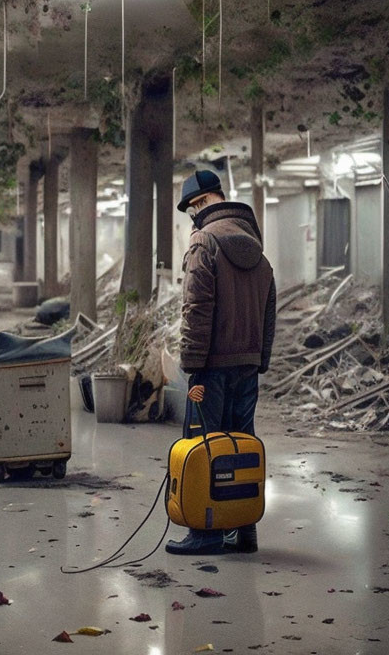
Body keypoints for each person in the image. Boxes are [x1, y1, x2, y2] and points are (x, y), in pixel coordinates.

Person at [165, 169, 277, 555]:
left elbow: (196, 308)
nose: (191, 217)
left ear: (202, 203)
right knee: (240, 444)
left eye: (192, 208)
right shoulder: (255, 247)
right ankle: (243, 531)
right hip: (247, 365)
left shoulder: (204, 242)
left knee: (204, 444)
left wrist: (192, 363)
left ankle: (205, 532)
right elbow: (268, 312)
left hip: (210, 367)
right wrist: (259, 360)